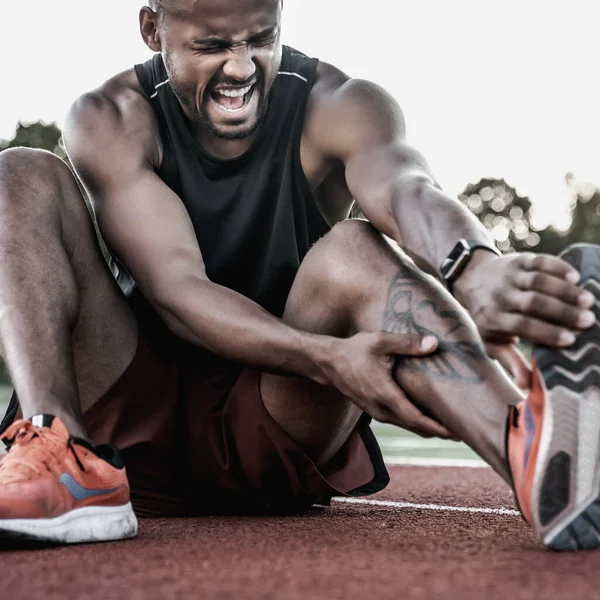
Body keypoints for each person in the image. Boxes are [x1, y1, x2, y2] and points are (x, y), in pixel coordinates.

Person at [0, 0, 598, 551]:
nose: (241, 67)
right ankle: (61, 455)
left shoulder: (340, 104)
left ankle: (543, 465)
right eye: (212, 45)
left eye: (262, 38)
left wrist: (473, 266)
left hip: (274, 417)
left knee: (353, 249)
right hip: (129, 418)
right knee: (18, 174)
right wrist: (323, 356)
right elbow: (179, 289)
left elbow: (406, 188)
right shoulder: (112, 117)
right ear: (153, 29)